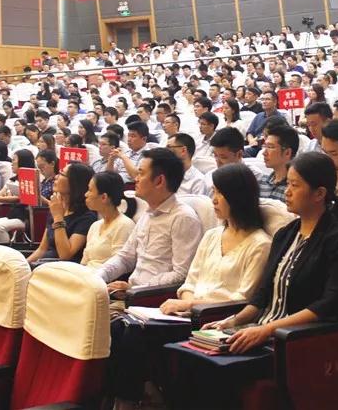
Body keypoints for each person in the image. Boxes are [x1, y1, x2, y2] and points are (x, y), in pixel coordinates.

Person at [188, 152, 338, 408]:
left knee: (211, 372)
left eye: (295, 185)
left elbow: (329, 304)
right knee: (191, 356)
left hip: (293, 340)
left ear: (319, 193)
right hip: (262, 330)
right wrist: (232, 321)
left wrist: (266, 330)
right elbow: (262, 295)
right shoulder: (286, 234)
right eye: (287, 183)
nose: (287, 192)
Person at [106, 163, 272, 405]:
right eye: (213, 192)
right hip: (186, 313)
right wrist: (185, 303)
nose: (214, 200)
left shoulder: (260, 244)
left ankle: (138, 401)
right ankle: (127, 400)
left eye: (220, 193)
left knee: (133, 334)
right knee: (120, 327)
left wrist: (191, 306)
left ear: (238, 196)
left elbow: (244, 297)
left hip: (216, 319)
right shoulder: (212, 235)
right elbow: (190, 281)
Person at [96, 148, 203, 292]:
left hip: (152, 298)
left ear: (159, 181)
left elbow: (181, 274)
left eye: (141, 173)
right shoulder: (147, 214)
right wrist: (98, 277)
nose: (136, 179)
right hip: (132, 293)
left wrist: (135, 289)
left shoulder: (183, 218)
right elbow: (125, 258)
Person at [27, 162, 96, 263]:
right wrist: (23, 265)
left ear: (75, 183)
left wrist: (58, 217)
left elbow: (65, 255)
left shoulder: (87, 217)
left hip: (64, 268)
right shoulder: (57, 207)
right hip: (44, 263)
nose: (56, 177)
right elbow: (42, 249)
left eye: (62, 174)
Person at [81, 171, 136, 269]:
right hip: (85, 273)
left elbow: (119, 265)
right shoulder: (95, 226)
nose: (86, 194)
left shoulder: (125, 225)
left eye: (90, 190)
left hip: (102, 276)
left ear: (104, 197)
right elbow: (84, 262)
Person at [259, 124, 297, 201]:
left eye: (270, 147)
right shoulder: (262, 182)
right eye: (265, 146)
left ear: (287, 153)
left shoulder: (295, 188)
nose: (264, 153)